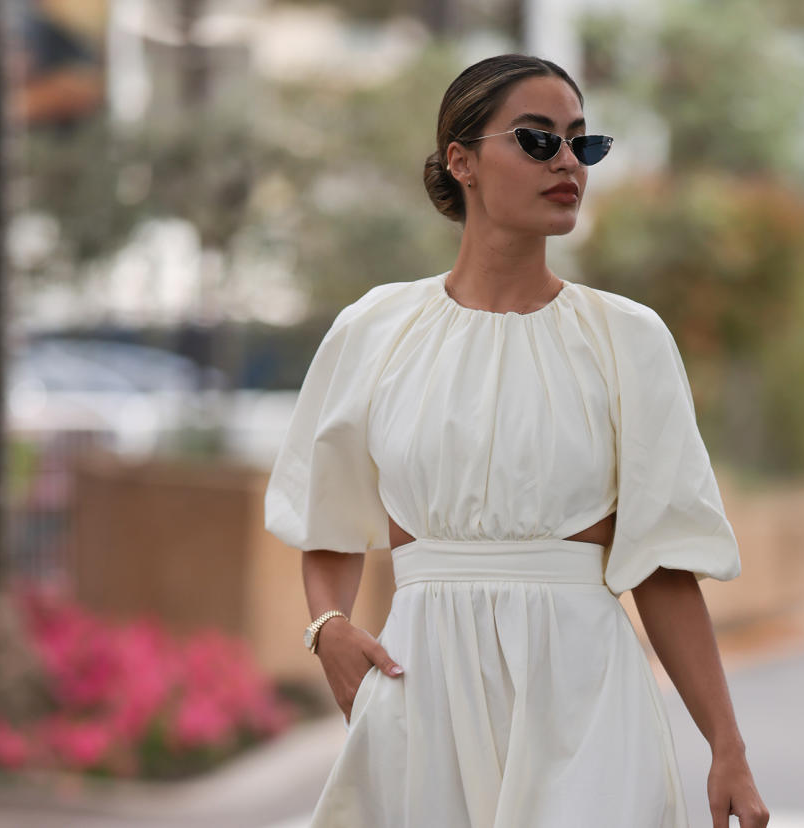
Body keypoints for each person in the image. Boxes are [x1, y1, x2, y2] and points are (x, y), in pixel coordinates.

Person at [264, 53, 769, 828]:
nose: (567, 162)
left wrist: (726, 747)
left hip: (584, 694)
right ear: (460, 161)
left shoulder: (626, 339)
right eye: (538, 141)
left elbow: (661, 565)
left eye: (582, 143)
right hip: (421, 690)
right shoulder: (376, 329)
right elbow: (326, 513)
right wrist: (328, 628)